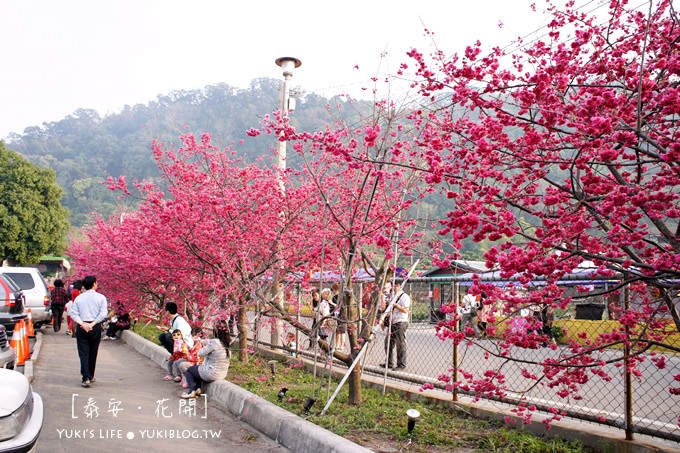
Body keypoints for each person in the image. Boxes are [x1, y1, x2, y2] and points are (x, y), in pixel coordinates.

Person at [70, 275, 108, 388]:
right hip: (95, 327)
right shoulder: (101, 297)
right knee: (93, 351)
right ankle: (90, 375)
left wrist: (82, 324)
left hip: (82, 327)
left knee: (83, 353)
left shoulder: (79, 298)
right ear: (94, 284)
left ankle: (85, 377)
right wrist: (92, 324)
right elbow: (103, 314)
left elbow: (74, 314)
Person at [181, 330, 231, 398]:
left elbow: (200, 353)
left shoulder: (214, 342)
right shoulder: (226, 344)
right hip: (222, 374)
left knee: (190, 370)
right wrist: (200, 340)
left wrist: (202, 346)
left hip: (211, 373)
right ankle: (198, 389)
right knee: (197, 368)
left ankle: (191, 391)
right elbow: (209, 341)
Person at [381, 281, 411, 370]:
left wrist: (395, 305)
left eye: (394, 286)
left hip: (401, 321)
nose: (393, 288)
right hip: (392, 321)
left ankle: (401, 364)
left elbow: (405, 310)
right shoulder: (393, 296)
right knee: (388, 343)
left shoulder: (404, 296)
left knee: (400, 343)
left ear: (399, 286)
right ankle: (389, 362)